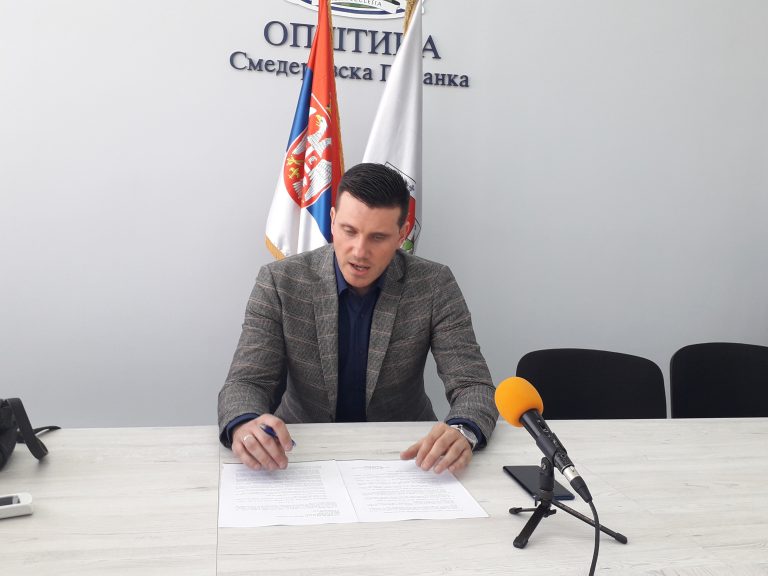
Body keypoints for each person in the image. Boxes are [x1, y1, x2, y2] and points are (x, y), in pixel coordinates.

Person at [218, 163, 497, 474]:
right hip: (300, 451)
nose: (359, 251)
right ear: (332, 220)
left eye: (378, 237)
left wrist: (463, 430)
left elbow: (473, 385)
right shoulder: (279, 281)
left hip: (406, 455)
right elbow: (246, 382)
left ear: (401, 234)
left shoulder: (434, 284)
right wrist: (244, 424)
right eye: (349, 231)